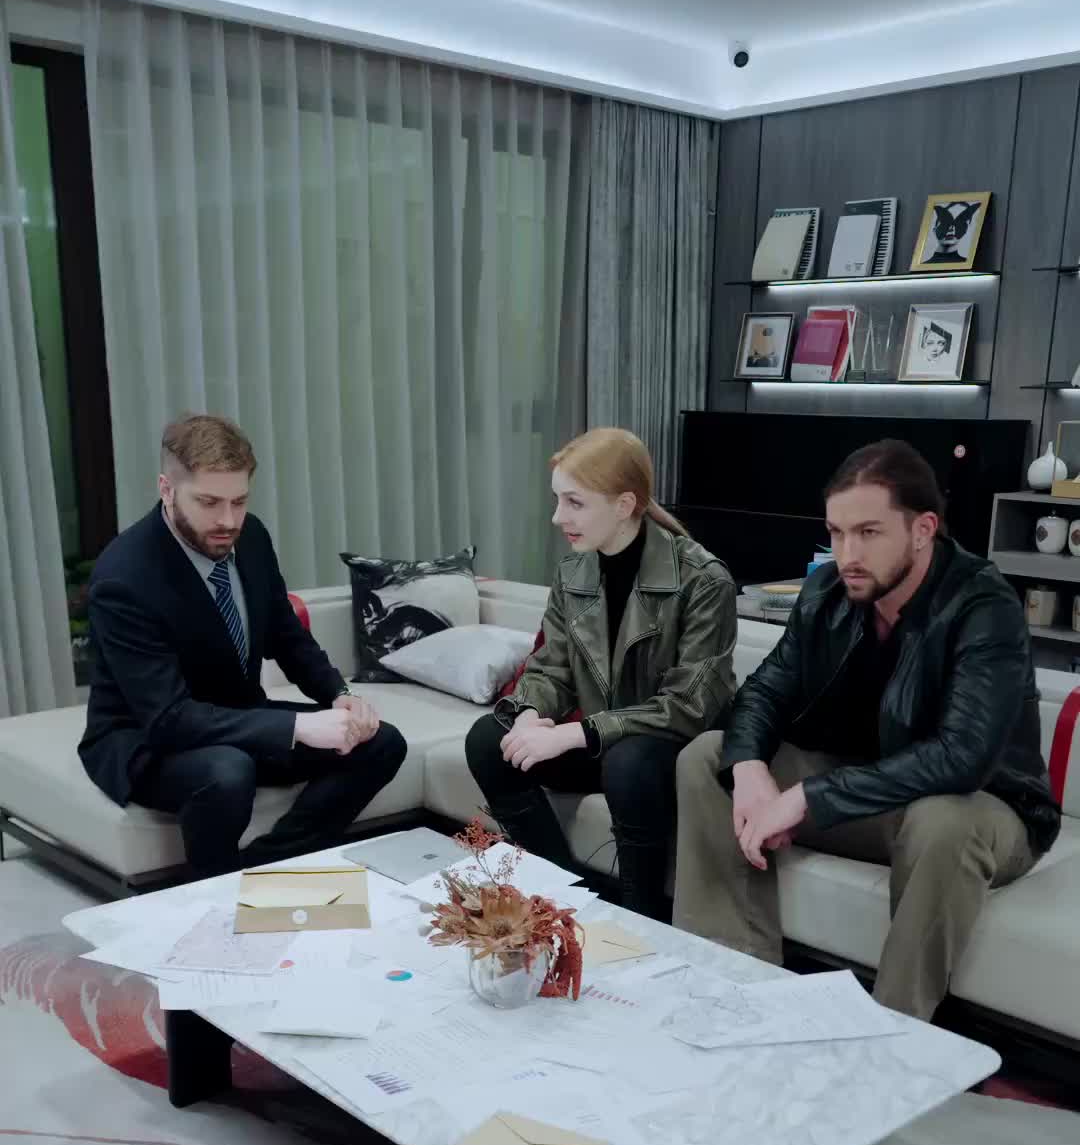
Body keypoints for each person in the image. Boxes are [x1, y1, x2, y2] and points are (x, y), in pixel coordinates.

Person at [673, 438, 1060, 1020]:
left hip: (985, 807)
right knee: (709, 757)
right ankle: (733, 989)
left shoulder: (984, 607)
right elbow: (763, 693)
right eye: (836, 533)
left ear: (923, 529)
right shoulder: (827, 592)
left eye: (869, 533)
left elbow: (963, 758)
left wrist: (806, 797)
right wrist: (750, 770)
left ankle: (896, 1033)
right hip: (869, 796)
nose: (847, 554)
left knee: (944, 821)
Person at [79, 414, 407, 880]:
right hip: (145, 740)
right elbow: (168, 719)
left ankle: (267, 870)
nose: (228, 521)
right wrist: (297, 726)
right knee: (228, 771)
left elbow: (284, 633)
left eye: (239, 501)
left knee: (381, 742)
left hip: (236, 716)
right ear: (167, 489)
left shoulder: (250, 537)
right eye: (209, 502)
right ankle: (214, 893)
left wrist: (339, 695)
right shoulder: (124, 577)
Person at [465, 427, 737, 920]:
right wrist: (528, 714)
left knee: (629, 763)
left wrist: (576, 733)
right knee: (490, 739)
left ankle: (643, 919)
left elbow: (689, 705)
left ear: (624, 504)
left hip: (668, 750)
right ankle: (564, 896)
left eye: (574, 502)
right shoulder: (574, 573)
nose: (557, 517)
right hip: (600, 742)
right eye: (558, 500)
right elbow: (551, 667)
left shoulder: (703, 579)